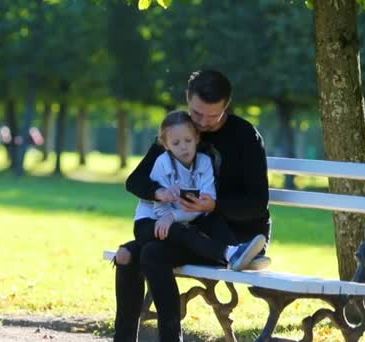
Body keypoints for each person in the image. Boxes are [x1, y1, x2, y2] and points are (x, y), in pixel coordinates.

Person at [113, 70, 272, 342]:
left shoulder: (245, 136)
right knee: (139, 255)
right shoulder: (179, 132)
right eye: (197, 114)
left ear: (227, 106)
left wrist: (215, 206)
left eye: (214, 116)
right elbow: (137, 181)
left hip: (237, 237)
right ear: (188, 98)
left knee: (146, 253)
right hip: (188, 227)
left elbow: (257, 205)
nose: (203, 123)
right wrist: (159, 192)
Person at [132, 110, 264, 271]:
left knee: (206, 224)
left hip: (179, 223)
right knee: (182, 231)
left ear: (197, 138)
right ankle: (230, 254)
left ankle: (239, 253)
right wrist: (164, 200)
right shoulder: (162, 163)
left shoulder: (204, 162)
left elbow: (202, 206)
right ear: (166, 145)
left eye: (188, 140)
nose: (183, 147)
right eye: (176, 143)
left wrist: (175, 216)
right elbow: (159, 209)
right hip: (154, 223)